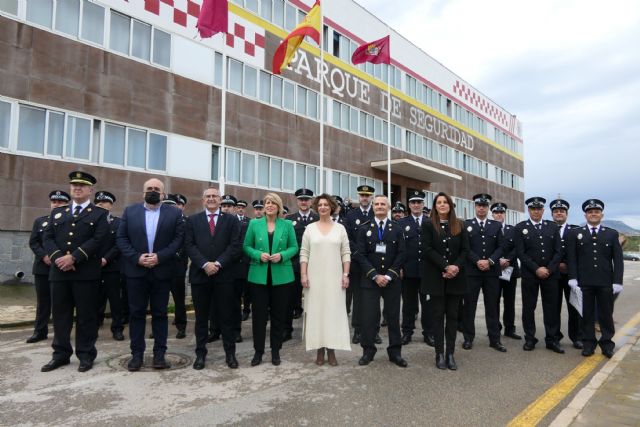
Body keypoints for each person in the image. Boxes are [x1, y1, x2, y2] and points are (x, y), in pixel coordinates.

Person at [41, 171, 109, 373]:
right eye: (74, 185)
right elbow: (47, 238)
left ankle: (86, 354)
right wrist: (58, 258)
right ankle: (60, 354)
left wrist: (74, 257)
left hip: (85, 274)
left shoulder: (99, 214)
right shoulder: (58, 212)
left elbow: (98, 240)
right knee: (60, 315)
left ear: (90, 190)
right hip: (59, 273)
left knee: (86, 316)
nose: (77, 188)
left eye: (82, 185)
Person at [116, 178, 185, 372]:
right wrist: (137, 258)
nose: (153, 191)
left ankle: (159, 355)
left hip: (161, 272)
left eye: (157, 189)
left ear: (163, 194)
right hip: (136, 272)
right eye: (149, 189)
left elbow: (178, 239)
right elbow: (121, 239)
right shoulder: (130, 212)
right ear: (143, 192)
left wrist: (160, 257)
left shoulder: (174, 213)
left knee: (160, 314)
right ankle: (136, 355)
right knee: (136, 314)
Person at [185, 188, 242, 369]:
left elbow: (235, 246)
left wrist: (217, 264)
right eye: (208, 196)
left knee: (227, 317)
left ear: (220, 200)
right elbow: (189, 245)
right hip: (200, 276)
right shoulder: (192, 220)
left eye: (214, 196)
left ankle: (230, 355)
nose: (211, 199)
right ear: (203, 200)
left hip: (224, 276)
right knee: (201, 319)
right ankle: (200, 355)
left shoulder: (231, 221)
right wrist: (204, 264)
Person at [243, 193, 298, 366]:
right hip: (259, 276)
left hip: (281, 277)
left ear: (278, 206)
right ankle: (258, 352)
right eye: (267, 203)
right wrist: (258, 254)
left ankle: (275, 351)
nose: (269, 205)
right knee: (258, 316)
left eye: (273, 203)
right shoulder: (254, 223)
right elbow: (246, 246)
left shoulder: (287, 224)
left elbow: (295, 247)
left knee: (278, 316)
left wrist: (282, 255)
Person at [355, 195, 407, 368]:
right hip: (370, 280)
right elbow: (360, 255)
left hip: (391, 280)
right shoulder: (364, 229)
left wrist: (389, 275)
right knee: (369, 318)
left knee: (393, 317)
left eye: (382, 204)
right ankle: (368, 351)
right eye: (376, 204)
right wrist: (375, 275)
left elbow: (402, 254)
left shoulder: (397, 228)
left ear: (389, 207)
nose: (379, 207)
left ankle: (395, 352)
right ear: (373, 207)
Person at [567, 199, 623, 358]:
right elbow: (572, 258)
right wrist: (573, 278)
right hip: (584, 282)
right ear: (585, 215)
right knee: (586, 315)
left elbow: (618, 260)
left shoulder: (611, 234)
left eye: (596, 212)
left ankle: (607, 344)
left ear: (601, 215)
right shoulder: (575, 233)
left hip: (605, 282)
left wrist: (617, 281)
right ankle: (588, 344)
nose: (593, 214)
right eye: (590, 212)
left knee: (606, 315)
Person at [300, 194, 351, 366]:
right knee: (316, 313)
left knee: (333, 313)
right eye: (320, 205)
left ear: (331, 207)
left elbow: (346, 253)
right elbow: (304, 253)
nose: (323, 207)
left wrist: (345, 275)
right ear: (316, 207)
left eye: (326, 205)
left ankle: (332, 349)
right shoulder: (310, 228)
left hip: (335, 278)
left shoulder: (340, 229)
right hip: (314, 278)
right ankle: (319, 349)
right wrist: (304, 274)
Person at [421, 192, 469, 370]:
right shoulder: (428, 225)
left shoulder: (460, 225)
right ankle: (439, 354)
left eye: (445, 202)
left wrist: (455, 267)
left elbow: (465, 250)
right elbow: (427, 249)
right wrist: (445, 267)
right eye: (438, 202)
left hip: (456, 279)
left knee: (453, 317)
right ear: (435, 206)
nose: (442, 205)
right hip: (436, 278)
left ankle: (450, 354)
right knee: (438, 316)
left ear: (450, 205)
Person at [514, 197, 564, 353]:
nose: (536, 211)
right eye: (533, 209)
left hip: (551, 275)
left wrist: (548, 268)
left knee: (552, 308)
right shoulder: (520, 228)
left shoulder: (552, 227)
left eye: (538, 209)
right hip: (530, 274)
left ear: (543, 211)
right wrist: (536, 269)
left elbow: (558, 251)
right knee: (529, 308)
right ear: (529, 210)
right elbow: (521, 253)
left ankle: (552, 339)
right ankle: (530, 338)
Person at [462, 194, 506, 352]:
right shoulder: (466, 224)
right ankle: (468, 338)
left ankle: (495, 339)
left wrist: (490, 261)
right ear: (475, 207)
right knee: (469, 307)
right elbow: (465, 248)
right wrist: (477, 261)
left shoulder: (496, 226)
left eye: (484, 205)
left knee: (492, 307)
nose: (481, 208)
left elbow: (501, 247)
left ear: (488, 208)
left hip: (491, 272)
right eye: (479, 205)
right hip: (472, 272)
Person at [26, 190, 70, 344]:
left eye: (60, 202)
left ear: (66, 204)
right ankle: (40, 331)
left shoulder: (70, 222)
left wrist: (55, 257)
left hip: (61, 267)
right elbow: (34, 242)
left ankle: (61, 333)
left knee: (61, 303)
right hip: (42, 268)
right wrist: (44, 256)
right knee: (43, 302)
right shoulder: (40, 221)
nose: (56, 204)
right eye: (54, 202)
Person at [399, 190, 434, 346]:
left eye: (419, 202)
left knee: (428, 305)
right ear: (409, 205)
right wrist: (399, 267)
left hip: (427, 271)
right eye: (413, 202)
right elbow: (399, 248)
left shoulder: (431, 222)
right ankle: (407, 332)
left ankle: (429, 333)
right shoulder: (401, 223)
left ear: (423, 204)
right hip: (408, 271)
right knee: (408, 304)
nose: (416, 205)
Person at [285, 188, 318, 340]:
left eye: (306, 199)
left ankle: (314, 330)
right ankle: (287, 329)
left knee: (314, 300)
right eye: (301, 199)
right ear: (297, 201)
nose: (304, 202)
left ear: (311, 201)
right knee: (290, 298)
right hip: (294, 265)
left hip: (315, 265)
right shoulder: (289, 219)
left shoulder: (319, 218)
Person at [344, 185, 376, 344]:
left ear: (372, 197)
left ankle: (374, 331)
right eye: (362, 195)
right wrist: (359, 253)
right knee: (358, 299)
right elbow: (348, 238)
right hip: (357, 263)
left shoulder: (376, 212)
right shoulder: (351, 215)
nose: (364, 198)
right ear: (358, 197)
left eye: (367, 195)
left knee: (373, 300)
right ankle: (357, 330)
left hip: (374, 264)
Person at [550, 198, 582, 349]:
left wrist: (568, 266)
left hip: (571, 275)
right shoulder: (547, 229)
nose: (559, 213)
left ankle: (576, 337)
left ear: (566, 214)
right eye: (556, 211)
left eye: (561, 211)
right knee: (553, 308)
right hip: (553, 275)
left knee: (574, 308)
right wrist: (556, 265)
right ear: (552, 214)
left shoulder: (575, 231)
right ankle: (555, 337)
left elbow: (580, 253)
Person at [94, 191, 125, 341]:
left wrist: (105, 259)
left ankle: (117, 328)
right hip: (92, 267)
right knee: (94, 299)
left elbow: (119, 244)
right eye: (98, 202)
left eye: (104, 202)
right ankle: (94, 325)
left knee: (115, 301)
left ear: (111, 205)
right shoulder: (89, 222)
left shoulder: (118, 222)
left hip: (112, 267)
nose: (101, 204)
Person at [490, 202, 522, 340]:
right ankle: (495, 327)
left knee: (509, 301)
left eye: (501, 212)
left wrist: (507, 259)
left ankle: (510, 329)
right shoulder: (488, 229)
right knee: (493, 300)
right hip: (493, 271)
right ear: (492, 214)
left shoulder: (512, 230)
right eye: (496, 212)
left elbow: (518, 247)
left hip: (510, 270)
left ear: (504, 214)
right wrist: (497, 261)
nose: (499, 214)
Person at [169, 193, 189, 340]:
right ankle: (159, 326)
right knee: (159, 299)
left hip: (177, 265)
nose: (175, 206)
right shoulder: (162, 220)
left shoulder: (186, 221)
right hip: (161, 265)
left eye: (178, 204)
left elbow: (187, 242)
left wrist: (176, 254)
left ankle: (181, 327)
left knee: (179, 299)